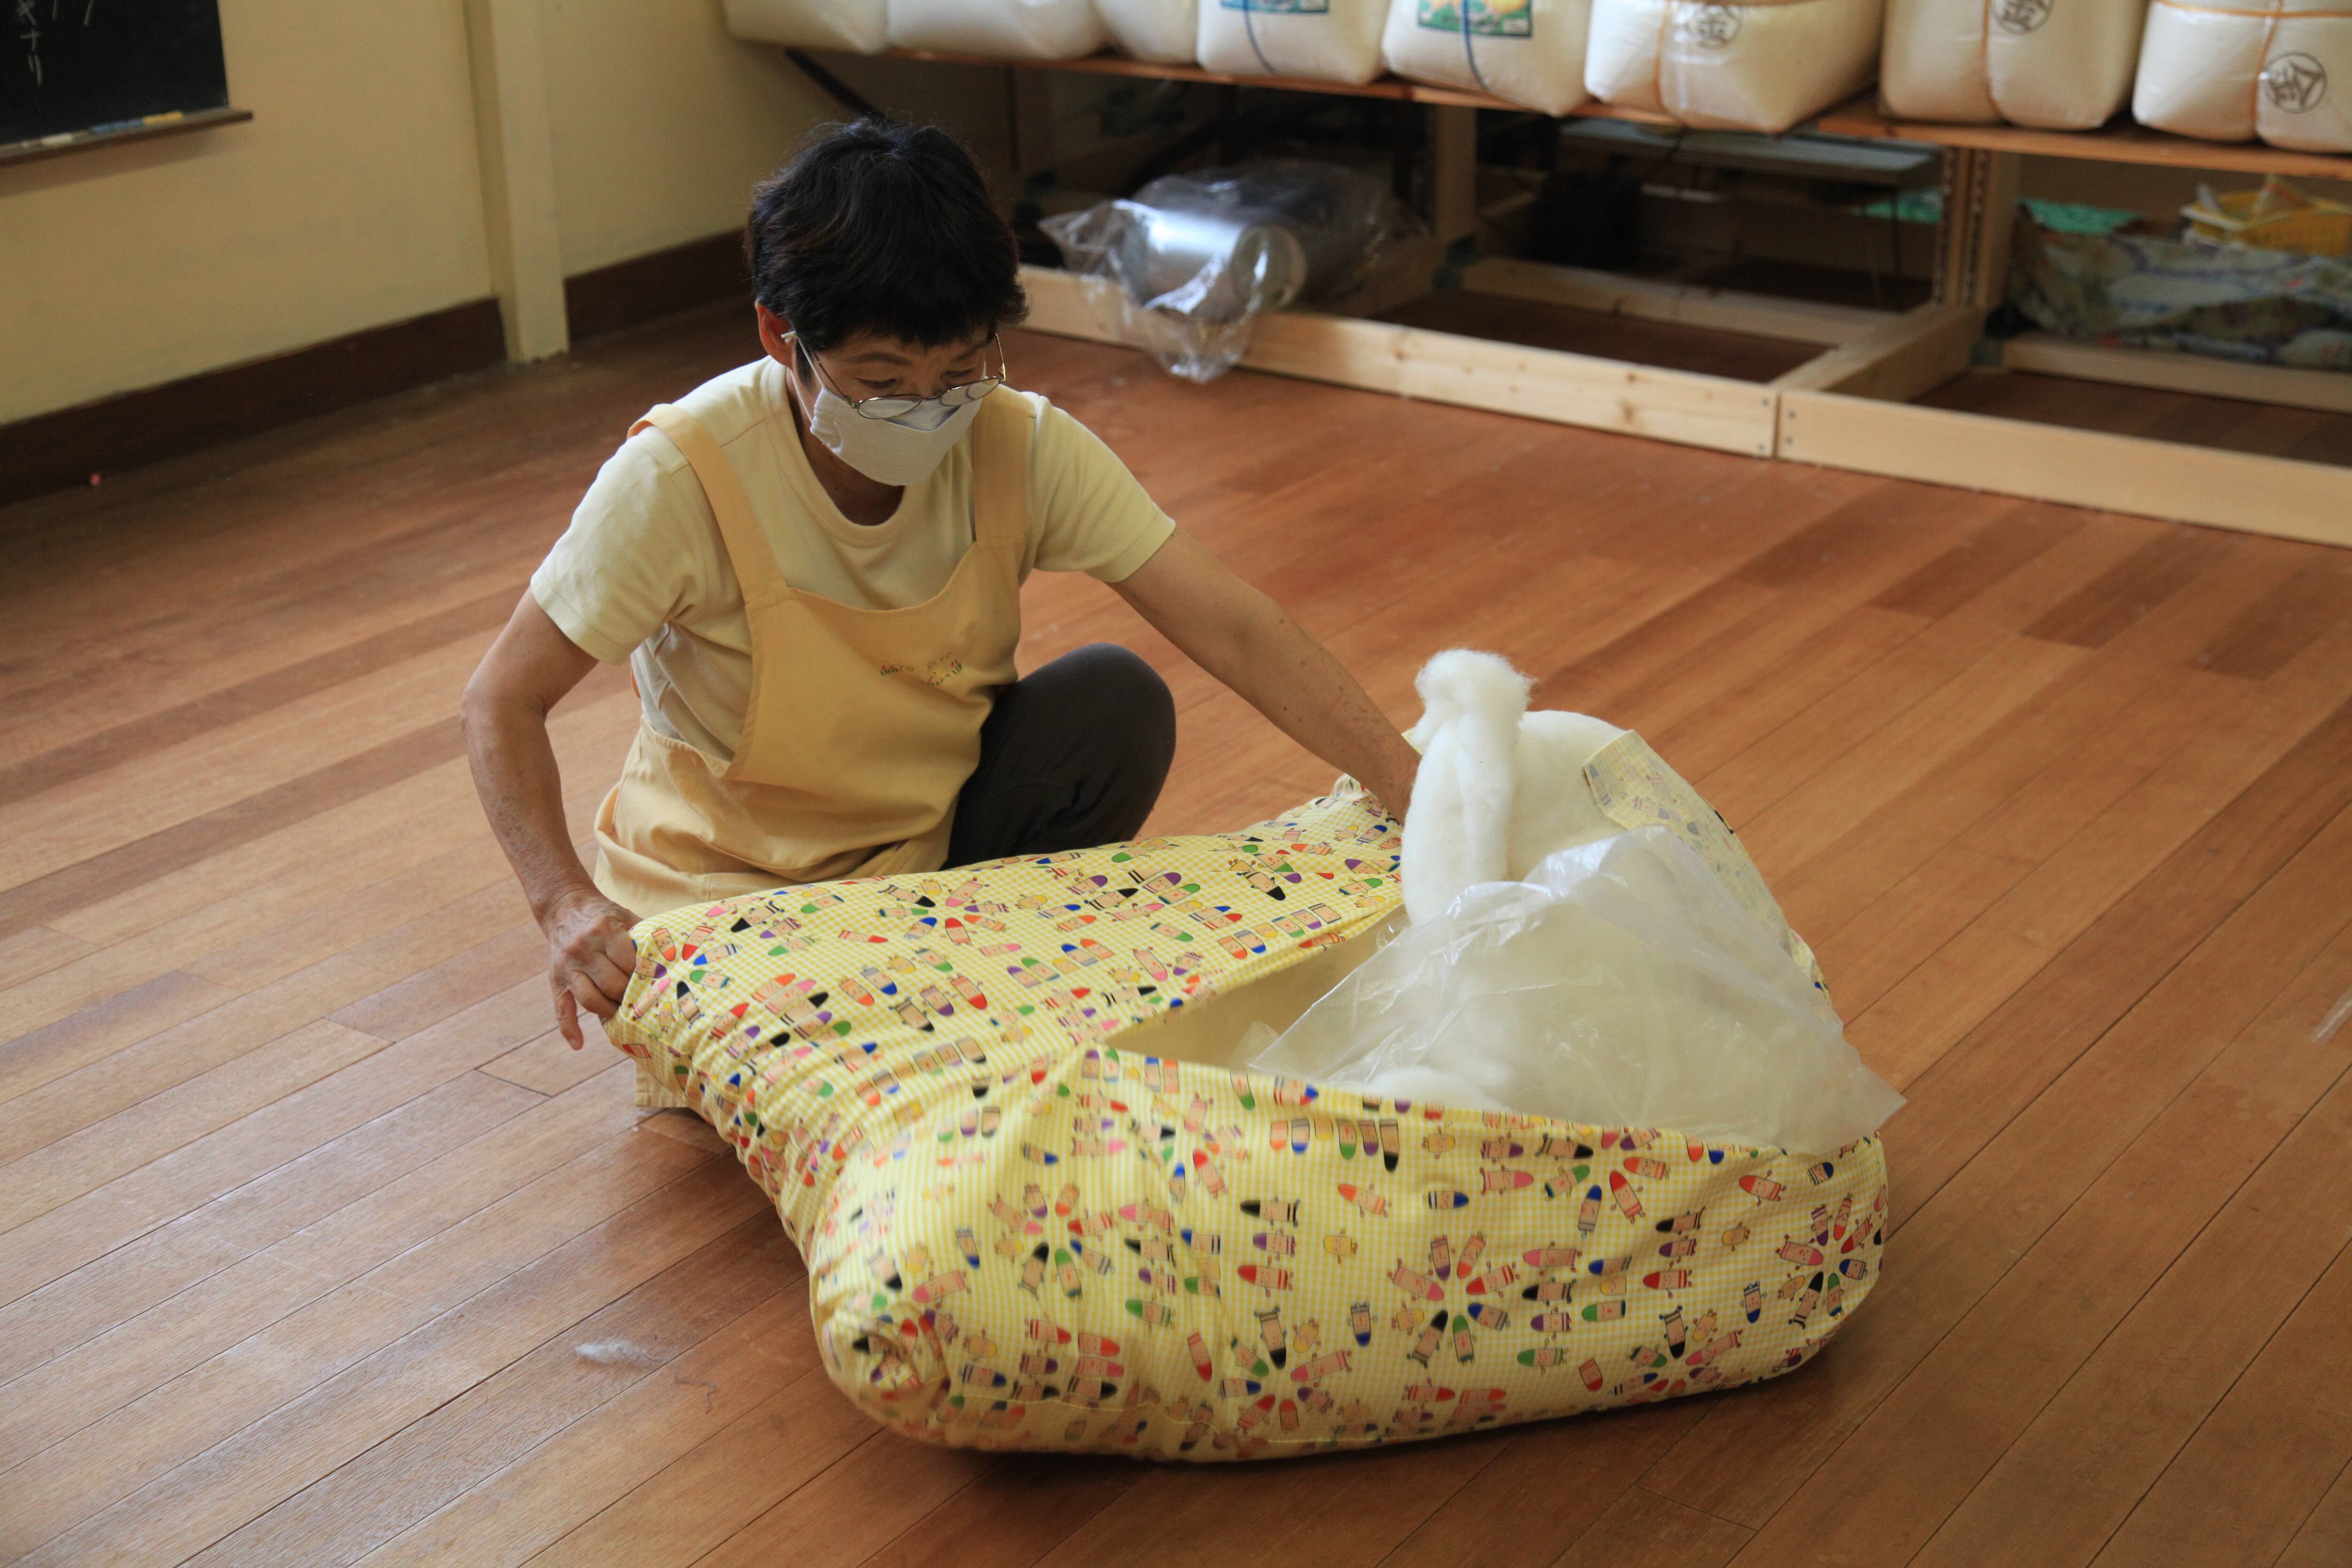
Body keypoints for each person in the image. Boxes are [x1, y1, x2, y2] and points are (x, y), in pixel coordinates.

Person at [461, 117, 1420, 1051]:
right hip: (725, 894)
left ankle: (948, 970)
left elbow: (1234, 625)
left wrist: (1414, 788)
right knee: (820, 1055)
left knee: (1113, 705)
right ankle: (936, 987)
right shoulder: (682, 476)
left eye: (960, 370)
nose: (926, 410)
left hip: (924, 863)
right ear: (779, 335)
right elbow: (502, 696)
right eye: (881, 381)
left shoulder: (1017, 442)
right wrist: (564, 903)